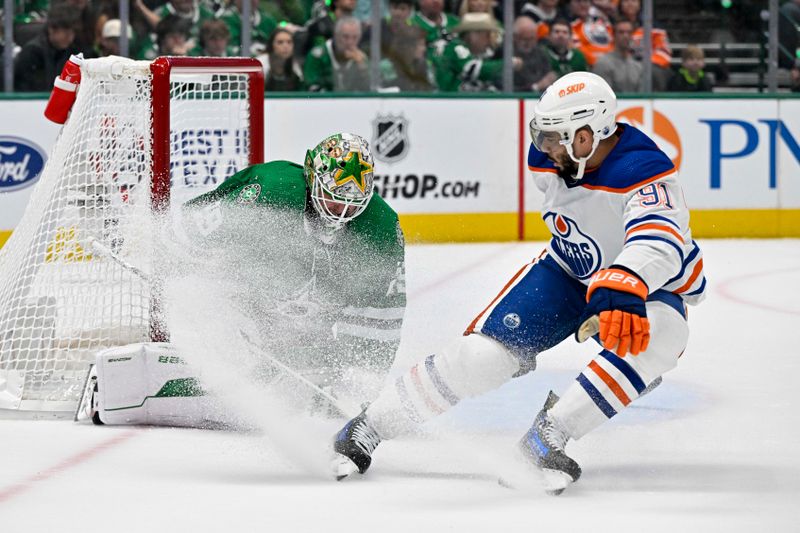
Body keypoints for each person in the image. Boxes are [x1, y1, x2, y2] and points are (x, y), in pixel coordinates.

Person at [331, 72, 706, 495]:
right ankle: (370, 423)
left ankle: (549, 435)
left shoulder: (646, 171)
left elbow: (659, 237)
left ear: (587, 136)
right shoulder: (549, 159)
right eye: (541, 136)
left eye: (556, 138)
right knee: (481, 358)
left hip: (644, 285)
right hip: (567, 270)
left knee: (661, 337)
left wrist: (624, 279)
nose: (545, 148)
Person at [77, 133, 406, 427]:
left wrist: (360, 385)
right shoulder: (269, 192)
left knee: (308, 383)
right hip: (240, 297)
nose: (341, 212)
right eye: (334, 198)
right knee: (217, 327)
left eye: (352, 204)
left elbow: (381, 318)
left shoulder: (381, 231)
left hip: (308, 327)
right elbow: (191, 232)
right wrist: (174, 272)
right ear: (311, 178)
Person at [14, 4, 81, 92]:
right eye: (66, 33)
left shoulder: (73, 53)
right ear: (51, 29)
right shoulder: (32, 54)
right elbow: (24, 89)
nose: (70, 37)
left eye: (73, 33)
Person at [304, 16, 370, 92]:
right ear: (335, 36)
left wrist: (363, 69)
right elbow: (312, 88)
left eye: (355, 37)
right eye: (345, 37)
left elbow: (370, 92)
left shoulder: (361, 59)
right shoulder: (317, 57)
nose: (350, 42)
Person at [592, 19, 642, 93]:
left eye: (629, 32)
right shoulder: (603, 63)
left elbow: (642, 97)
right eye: (621, 32)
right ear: (613, 35)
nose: (626, 36)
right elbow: (603, 96)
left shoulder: (638, 66)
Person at [511, 16, 556, 92]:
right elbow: (505, 87)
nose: (529, 43)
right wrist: (536, 87)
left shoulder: (540, 53)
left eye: (532, 39)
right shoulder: (506, 53)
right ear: (515, 37)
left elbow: (548, 75)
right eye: (525, 39)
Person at [257, 27, 305, 92]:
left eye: (289, 42)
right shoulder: (261, 63)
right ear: (272, 45)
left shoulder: (296, 65)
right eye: (280, 42)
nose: (285, 46)